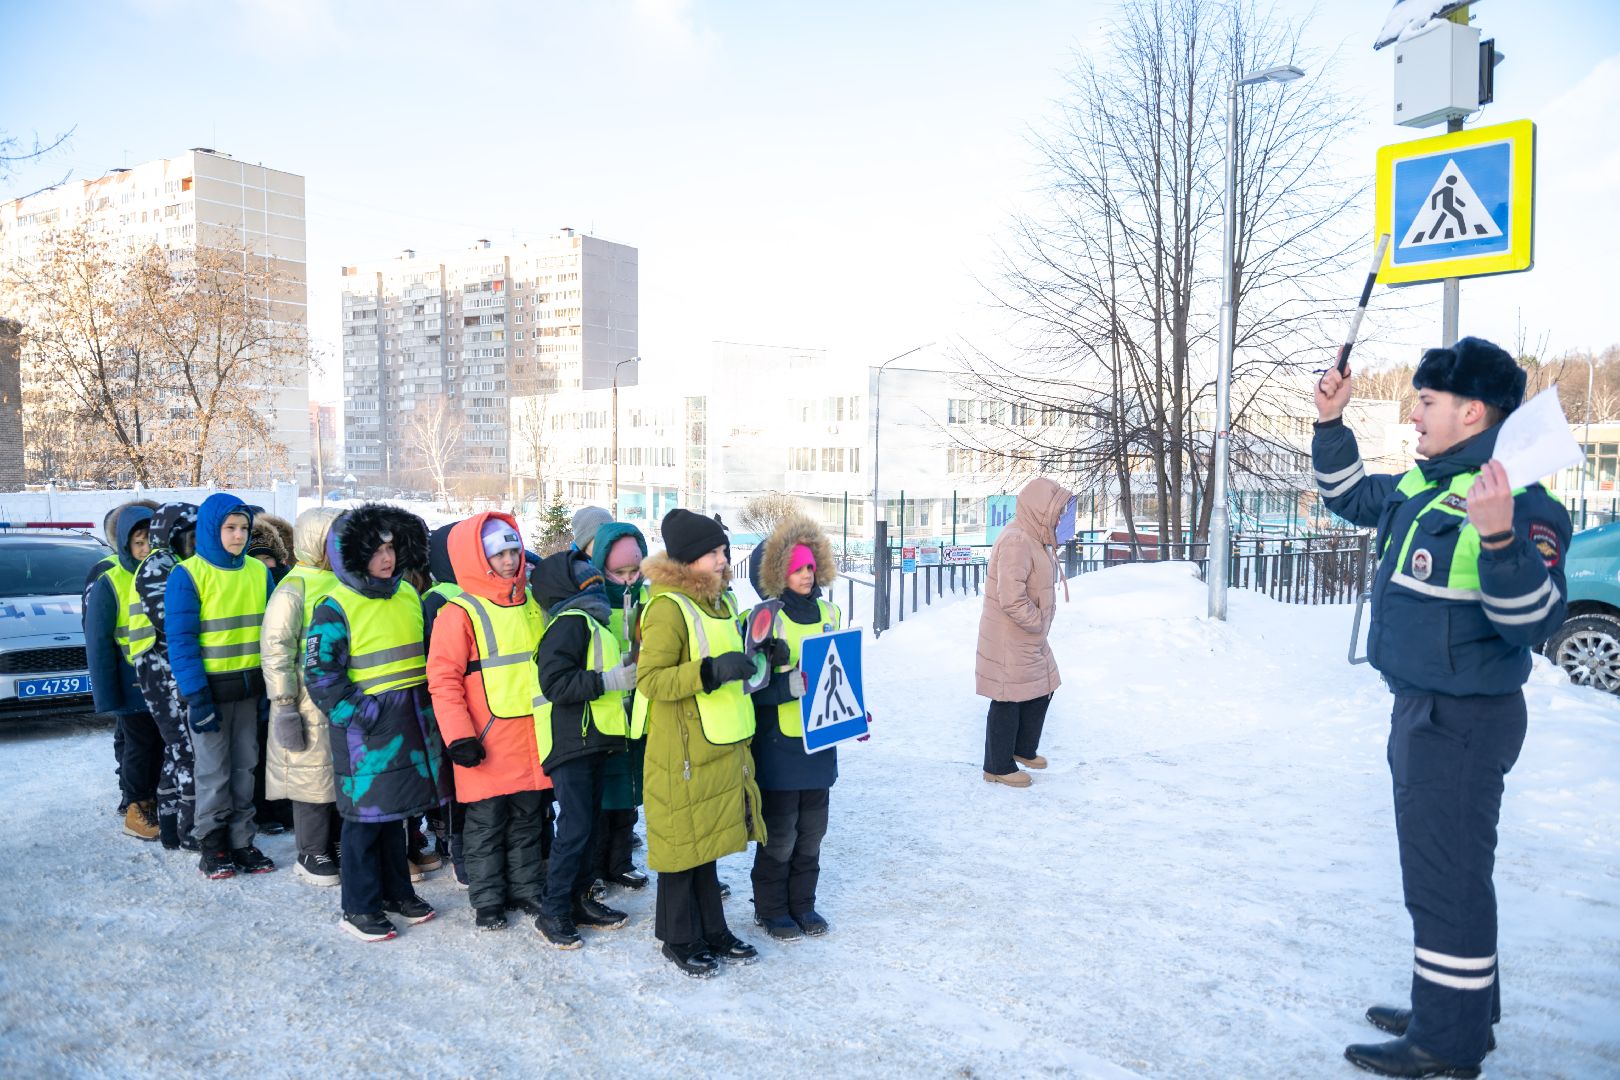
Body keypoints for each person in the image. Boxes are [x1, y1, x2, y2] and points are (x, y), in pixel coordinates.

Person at [1315, 338, 1571, 1079]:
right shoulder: (1428, 487)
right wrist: (1332, 424)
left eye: (1425, 402)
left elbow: (1535, 621)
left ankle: (1446, 1044)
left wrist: (1498, 538)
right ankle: (1455, 1009)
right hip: (1421, 710)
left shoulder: (1522, 503)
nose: (1414, 414)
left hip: (1463, 722)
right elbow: (1350, 498)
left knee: (1444, 881)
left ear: (1472, 411)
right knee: (1451, 874)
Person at [305, 504, 448, 942]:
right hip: (366, 735)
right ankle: (359, 906)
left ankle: (396, 893)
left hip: (411, 725)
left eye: (391, 548)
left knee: (398, 816)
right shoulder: (334, 605)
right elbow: (320, 675)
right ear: (351, 554)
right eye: (375, 550)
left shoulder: (407, 594)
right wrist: (362, 715)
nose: (386, 558)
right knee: (365, 822)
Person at [636, 508, 766, 977]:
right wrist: (709, 673)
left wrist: (757, 653)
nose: (722, 559)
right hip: (682, 749)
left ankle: (712, 928)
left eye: (723, 550)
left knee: (705, 845)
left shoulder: (722, 601)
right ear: (688, 560)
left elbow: (732, 648)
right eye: (713, 552)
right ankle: (678, 937)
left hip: (719, 742)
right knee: (680, 849)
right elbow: (650, 680)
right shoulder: (668, 608)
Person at [426, 513, 551, 932]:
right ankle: (488, 900)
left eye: (515, 551)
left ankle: (526, 887)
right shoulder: (458, 612)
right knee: (484, 826)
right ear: (479, 558)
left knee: (528, 821)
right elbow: (443, 681)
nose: (511, 560)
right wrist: (459, 736)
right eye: (500, 553)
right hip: (486, 741)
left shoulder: (532, 602)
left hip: (533, 736)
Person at [530, 545, 637, 948]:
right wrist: (607, 682)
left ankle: (578, 899)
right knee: (574, 828)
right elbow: (554, 683)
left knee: (587, 826)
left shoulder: (594, 623)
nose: (593, 578)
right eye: (584, 574)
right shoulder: (570, 623)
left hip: (593, 740)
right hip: (571, 741)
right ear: (565, 585)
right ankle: (553, 909)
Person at [166, 494, 277, 878]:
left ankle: (242, 840)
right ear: (211, 530)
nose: (238, 535)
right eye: (230, 528)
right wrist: (196, 697)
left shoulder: (258, 573)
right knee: (214, 770)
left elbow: (269, 635)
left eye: (244, 528)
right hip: (209, 693)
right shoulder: (189, 574)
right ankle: (212, 845)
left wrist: (268, 690)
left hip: (249, 691)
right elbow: (181, 642)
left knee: (246, 767)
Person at [746, 514, 841, 941]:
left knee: (812, 832)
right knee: (781, 834)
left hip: (820, 742)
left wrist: (852, 710)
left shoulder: (829, 612)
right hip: (779, 744)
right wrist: (784, 686)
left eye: (809, 566)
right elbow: (748, 688)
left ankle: (803, 904)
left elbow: (841, 669)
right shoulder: (765, 618)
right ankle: (771, 909)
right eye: (797, 567)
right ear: (777, 572)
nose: (806, 574)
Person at [261, 507, 345, 886]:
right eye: (333, 539)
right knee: (311, 775)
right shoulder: (294, 588)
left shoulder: (346, 581)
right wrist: (283, 704)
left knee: (341, 771)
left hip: (341, 692)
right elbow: (276, 649)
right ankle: (311, 850)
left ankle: (339, 841)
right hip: (306, 697)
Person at [975, 477, 1072, 788]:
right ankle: (997, 766)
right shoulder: (1017, 540)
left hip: (1028, 635)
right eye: (1057, 512)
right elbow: (1011, 596)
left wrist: (1037, 627)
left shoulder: (1033, 536)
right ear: (1041, 510)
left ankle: (1022, 749)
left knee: (1044, 685)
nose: (1061, 518)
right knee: (1007, 698)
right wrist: (1036, 622)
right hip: (1010, 636)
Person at [86, 502, 161, 840]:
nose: (146, 549)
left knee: (162, 746)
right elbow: (98, 642)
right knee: (138, 747)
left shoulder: (169, 573)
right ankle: (135, 806)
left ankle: (155, 801)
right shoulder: (110, 580)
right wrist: (108, 695)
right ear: (126, 544)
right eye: (139, 542)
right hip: (132, 683)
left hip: (165, 681)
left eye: (152, 541)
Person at [130, 501, 199, 850]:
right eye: (190, 536)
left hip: (172, 668)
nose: (196, 542)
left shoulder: (180, 564)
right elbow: (168, 621)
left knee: (178, 750)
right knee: (184, 749)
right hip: (159, 670)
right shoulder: (158, 565)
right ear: (171, 536)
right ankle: (188, 830)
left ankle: (171, 827)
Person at [590, 521, 651, 893]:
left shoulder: (648, 603)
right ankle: (595, 867)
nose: (628, 580)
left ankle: (620, 861)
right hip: (604, 712)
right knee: (602, 796)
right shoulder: (594, 606)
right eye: (620, 572)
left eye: (635, 571)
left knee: (629, 791)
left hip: (638, 715)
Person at [421, 522, 466, 883]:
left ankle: (447, 838)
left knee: (447, 774)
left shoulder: (434, 596)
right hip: (460, 700)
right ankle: (451, 839)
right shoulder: (452, 597)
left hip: (442, 701)